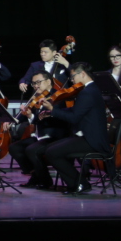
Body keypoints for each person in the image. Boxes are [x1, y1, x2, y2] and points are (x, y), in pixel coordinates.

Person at [36, 61, 108, 195]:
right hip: (88, 136)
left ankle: (79, 183)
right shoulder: (91, 89)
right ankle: (76, 183)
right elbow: (76, 110)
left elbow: (74, 117)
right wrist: (51, 112)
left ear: (83, 74)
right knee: (49, 148)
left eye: (73, 76)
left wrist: (53, 109)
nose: (72, 80)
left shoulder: (87, 92)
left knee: (52, 152)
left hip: (92, 140)